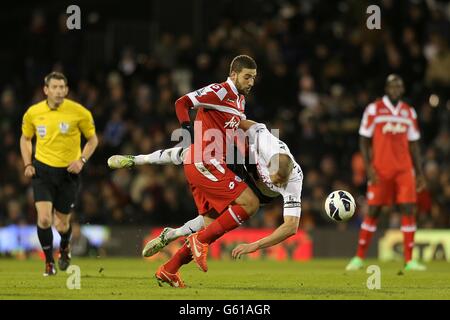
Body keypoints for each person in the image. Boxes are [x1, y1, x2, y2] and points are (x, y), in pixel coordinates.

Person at [108, 119, 304, 287]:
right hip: (243, 165)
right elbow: (243, 123)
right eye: (273, 178)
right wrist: (224, 131)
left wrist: (255, 245)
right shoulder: (265, 141)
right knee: (193, 153)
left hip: (259, 194)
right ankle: (137, 159)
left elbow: (291, 227)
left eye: (279, 183)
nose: (275, 182)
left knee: (213, 223)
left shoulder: (294, 181)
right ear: (268, 162)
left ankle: (174, 239)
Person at [346, 74, 427, 271]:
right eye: (392, 86)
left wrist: (420, 172)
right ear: (386, 88)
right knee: (374, 211)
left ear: (403, 89)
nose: (395, 89)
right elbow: (364, 140)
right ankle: (359, 257)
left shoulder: (409, 112)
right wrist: (368, 167)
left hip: (404, 169)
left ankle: (409, 261)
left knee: (408, 209)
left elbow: (414, 145)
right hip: (380, 169)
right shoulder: (374, 109)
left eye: (399, 86)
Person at [20, 72, 98, 276]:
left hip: (67, 174)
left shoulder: (79, 112)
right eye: (54, 87)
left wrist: (81, 160)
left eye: (62, 87)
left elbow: (93, 140)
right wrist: (27, 163)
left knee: (61, 224)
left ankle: (64, 246)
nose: (58, 91)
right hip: (43, 170)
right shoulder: (33, 113)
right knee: (44, 219)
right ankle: (48, 262)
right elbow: (25, 138)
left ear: (67, 89)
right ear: (46, 90)